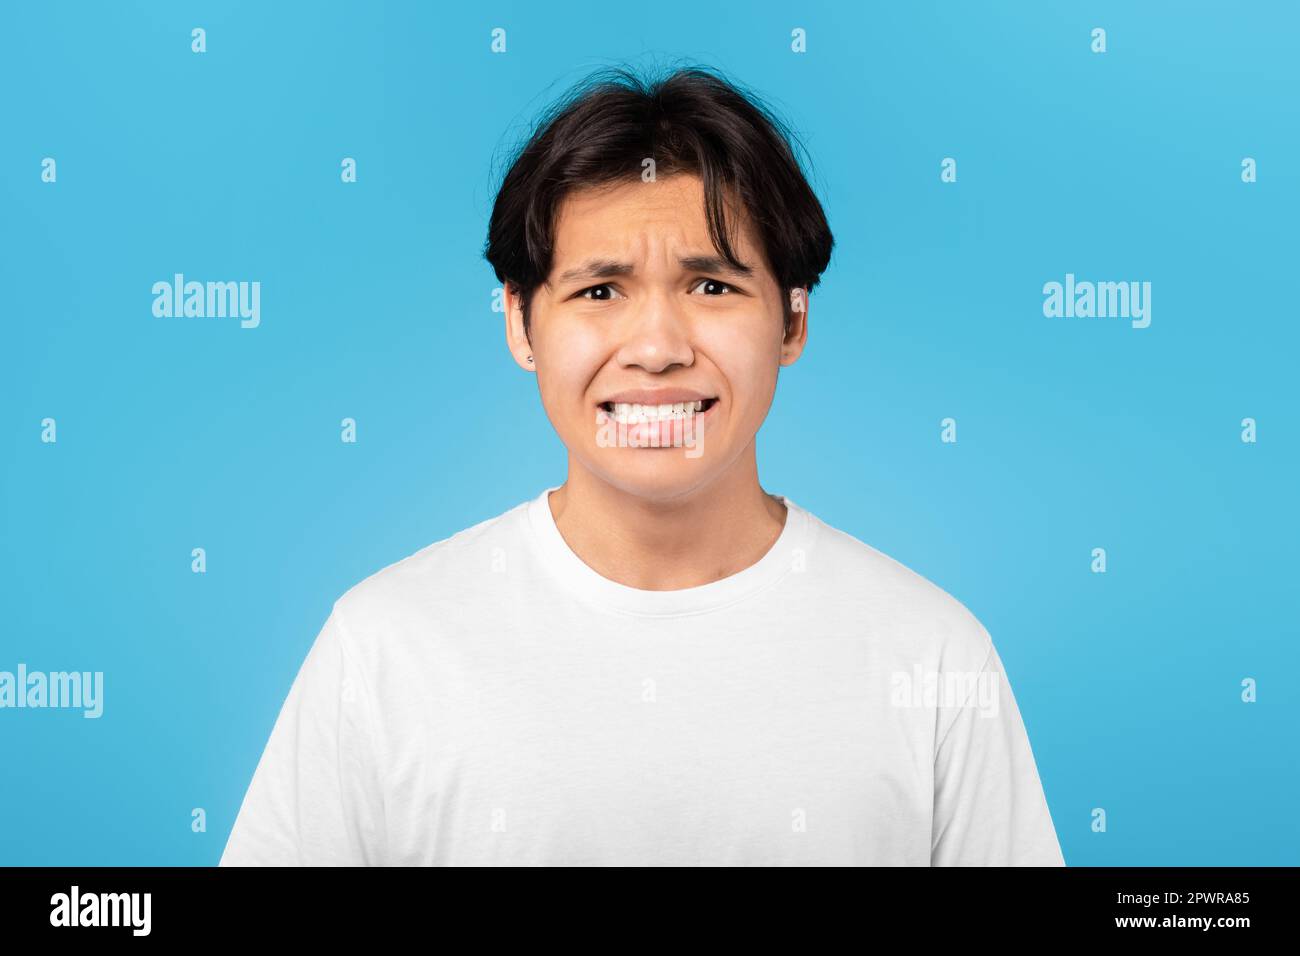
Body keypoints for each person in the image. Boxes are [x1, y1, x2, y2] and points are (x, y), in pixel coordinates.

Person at [220, 65, 1065, 866]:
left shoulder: (935, 657)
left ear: (793, 322)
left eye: (712, 287)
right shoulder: (385, 649)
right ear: (520, 324)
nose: (657, 350)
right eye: (599, 291)